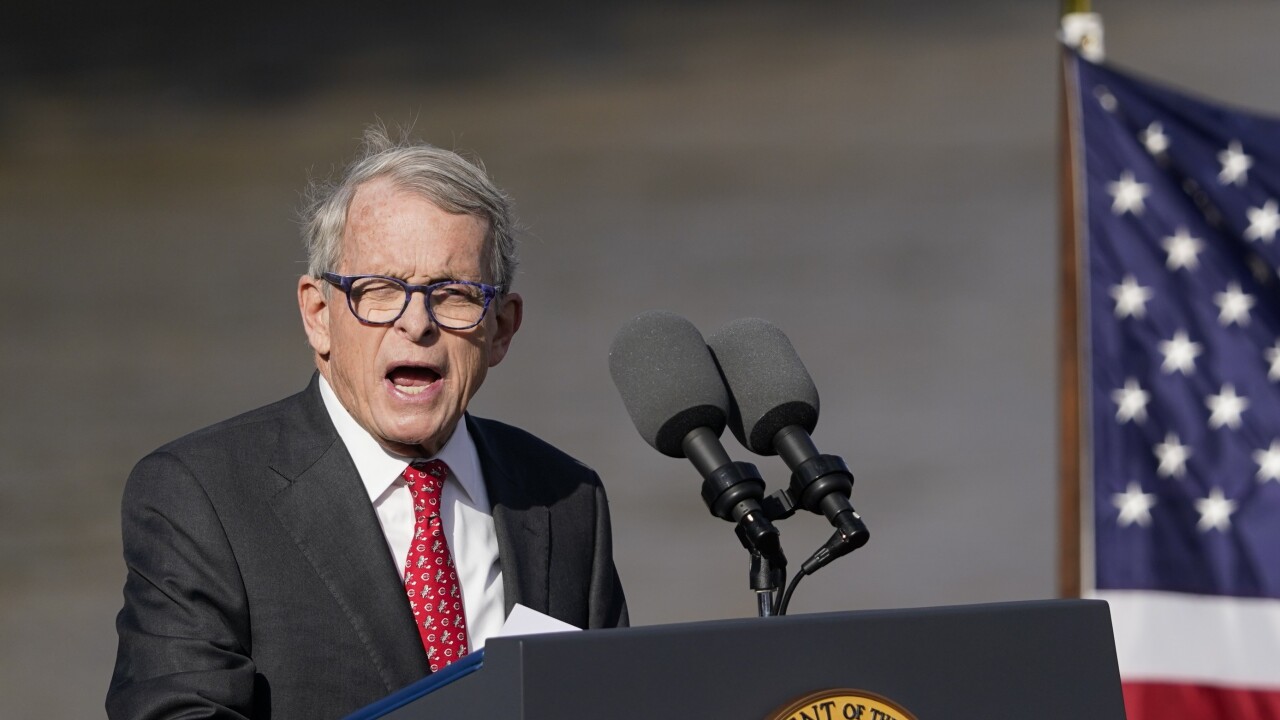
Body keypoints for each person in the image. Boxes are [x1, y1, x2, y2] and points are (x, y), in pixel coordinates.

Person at [107, 126, 629, 719]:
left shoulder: (566, 498)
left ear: (501, 329)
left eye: (453, 293)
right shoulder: (199, 496)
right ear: (318, 315)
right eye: (379, 291)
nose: (417, 324)